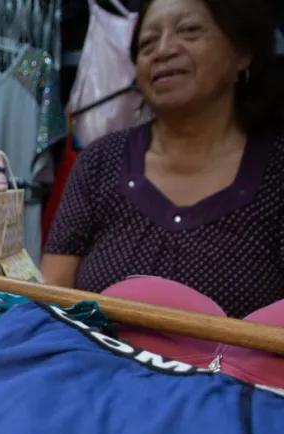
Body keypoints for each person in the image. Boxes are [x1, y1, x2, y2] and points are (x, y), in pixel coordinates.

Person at [42, 0, 284, 318]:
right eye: (148, 42)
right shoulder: (99, 163)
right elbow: (52, 298)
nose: (163, 50)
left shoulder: (276, 171)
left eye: (189, 31)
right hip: (97, 366)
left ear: (241, 52)